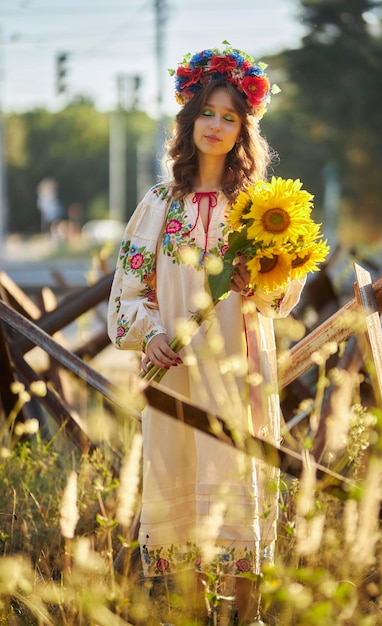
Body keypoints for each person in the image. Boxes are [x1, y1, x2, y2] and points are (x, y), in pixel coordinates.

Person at [107, 45, 306, 625]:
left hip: (237, 371)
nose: (216, 126)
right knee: (181, 484)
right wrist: (149, 336)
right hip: (174, 372)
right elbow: (127, 289)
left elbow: (283, 295)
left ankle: (249, 616)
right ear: (188, 119)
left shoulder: (257, 206)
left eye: (230, 117)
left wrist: (256, 285)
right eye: (207, 113)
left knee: (238, 478)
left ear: (244, 128)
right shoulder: (159, 203)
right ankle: (192, 615)